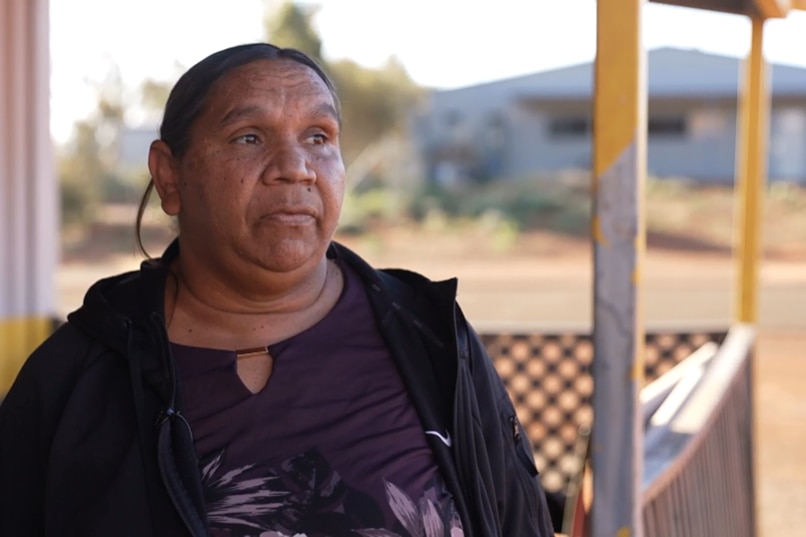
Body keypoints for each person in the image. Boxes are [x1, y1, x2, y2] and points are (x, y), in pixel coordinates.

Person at [0, 43, 555, 537]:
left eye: (319, 137)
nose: (295, 168)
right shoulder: (78, 375)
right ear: (169, 176)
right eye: (249, 137)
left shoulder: (430, 337)